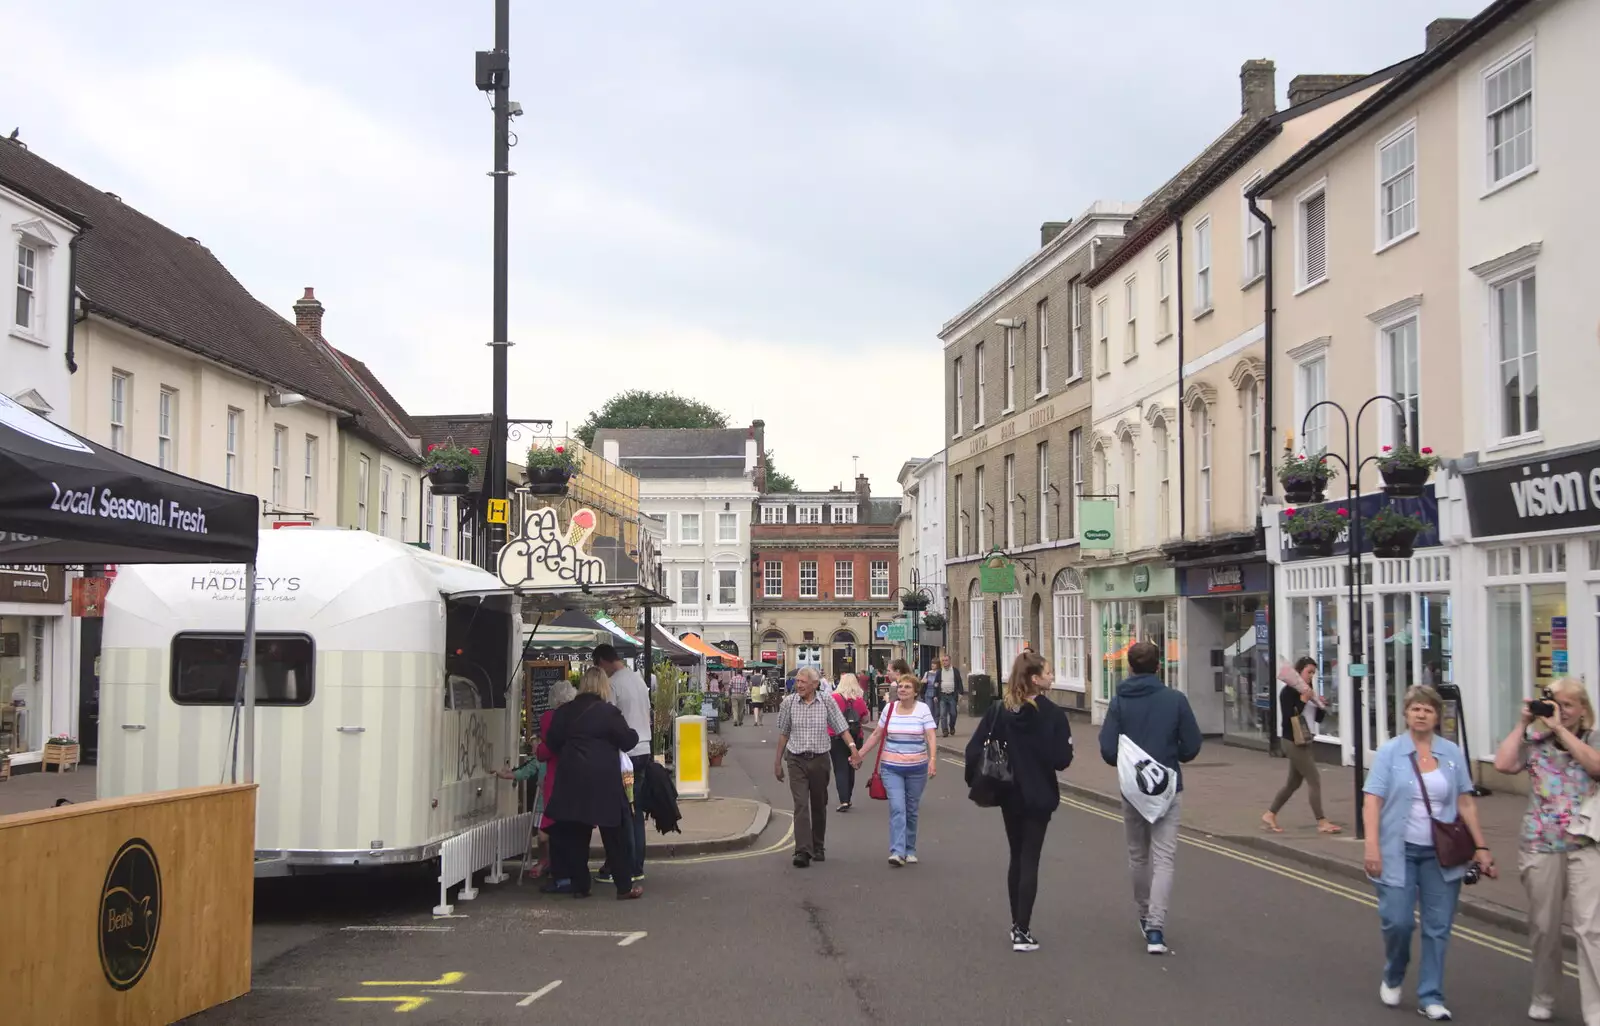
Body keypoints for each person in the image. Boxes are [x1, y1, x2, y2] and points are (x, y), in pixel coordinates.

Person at [1364, 684, 1496, 1021]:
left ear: (1437, 716)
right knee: (1399, 921)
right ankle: (1395, 971)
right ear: (1406, 714)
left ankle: (1431, 995)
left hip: (1442, 854)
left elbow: (1465, 802)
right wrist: (1371, 845)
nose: (1421, 714)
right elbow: (1372, 801)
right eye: (1415, 708)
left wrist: (1481, 847)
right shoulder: (1390, 752)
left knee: (1438, 927)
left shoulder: (1451, 753)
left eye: (1428, 709)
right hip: (1398, 850)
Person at [1493, 677, 1600, 1024]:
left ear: (1583, 708)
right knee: (1544, 926)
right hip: (1542, 844)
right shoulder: (1535, 741)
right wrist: (1523, 723)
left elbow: (1597, 767)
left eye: (1570, 705)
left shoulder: (1593, 739)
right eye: (1556, 703)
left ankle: (1596, 1009)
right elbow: (1503, 764)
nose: (1562, 711)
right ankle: (1544, 995)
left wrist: (1562, 730)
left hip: (1587, 845)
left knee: (1591, 929)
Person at [1098, 640, 1202, 956]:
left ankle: (1144, 915)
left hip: (1133, 789)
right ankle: (1156, 928)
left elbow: (1107, 749)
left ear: (1129, 666)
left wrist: (1129, 762)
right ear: (1158, 667)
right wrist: (1171, 756)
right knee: (1164, 858)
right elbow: (1192, 745)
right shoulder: (1175, 700)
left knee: (1138, 856)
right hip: (1167, 788)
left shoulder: (1118, 702)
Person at [967, 651, 1073, 952]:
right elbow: (1062, 759)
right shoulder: (1052, 714)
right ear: (1035, 679)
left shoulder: (1000, 711)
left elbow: (974, 750)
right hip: (1039, 794)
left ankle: (1017, 925)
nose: (1053, 677)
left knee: (1017, 855)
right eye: (1049, 672)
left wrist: (976, 781)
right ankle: (1022, 929)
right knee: (1030, 858)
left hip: (1009, 793)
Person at [540, 667, 644, 900]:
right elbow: (627, 741)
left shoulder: (565, 712)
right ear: (603, 686)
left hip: (572, 779)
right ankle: (624, 887)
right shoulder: (609, 713)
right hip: (603, 780)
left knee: (576, 836)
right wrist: (634, 734)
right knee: (613, 836)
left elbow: (553, 742)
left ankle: (580, 886)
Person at [495, 680, 576, 890]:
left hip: (555, 788)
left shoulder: (551, 719)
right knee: (566, 833)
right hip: (572, 784)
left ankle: (561, 875)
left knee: (553, 833)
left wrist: (541, 750)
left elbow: (543, 753)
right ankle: (566, 872)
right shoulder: (580, 718)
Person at [775, 666, 858, 867]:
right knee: (801, 804)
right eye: (798, 682)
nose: (799, 685)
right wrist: (777, 761)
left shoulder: (827, 701)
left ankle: (818, 845)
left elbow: (841, 728)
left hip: (820, 759)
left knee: (818, 804)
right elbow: (784, 733)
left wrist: (854, 749)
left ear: (814, 684)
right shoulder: (788, 703)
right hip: (796, 759)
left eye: (803, 682)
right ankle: (802, 851)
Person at [853, 673, 938, 866]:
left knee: (911, 809)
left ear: (915, 691)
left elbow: (931, 736)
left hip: (917, 768)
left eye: (907, 687)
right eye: (900, 686)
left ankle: (910, 849)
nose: (902, 690)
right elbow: (876, 734)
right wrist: (860, 753)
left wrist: (932, 760)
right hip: (891, 768)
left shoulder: (923, 710)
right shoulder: (889, 709)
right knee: (898, 808)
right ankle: (897, 851)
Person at [1262, 658, 1341, 835]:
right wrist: (1304, 700)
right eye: (1309, 672)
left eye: (1313, 673)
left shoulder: (1308, 691)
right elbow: (1290, 716)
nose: (1311, 675)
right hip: (1293, 741)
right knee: (1314, 779)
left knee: (1293, 783)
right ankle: (1321, 821)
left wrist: (1320, 704)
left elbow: (1318, 719)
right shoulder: (1288, 692)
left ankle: (1270, 814)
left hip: (1306, 740)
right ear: (1299, 671)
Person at [594, 644, 652, 884]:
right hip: (644, 749)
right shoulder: (638, 680)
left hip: (624, 754)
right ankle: (637, 865)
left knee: (623, 814)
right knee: (635, 812)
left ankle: (622, 866)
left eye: (598, 667)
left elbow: (607, 720)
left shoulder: (614, 684)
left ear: (602, 661)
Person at [830, 674, 870, 811]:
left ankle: (844, 800)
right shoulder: (859, 700)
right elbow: (866, 720)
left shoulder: (833, 698)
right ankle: (848, 796)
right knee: (850, 766)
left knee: (840, 767)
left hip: (835, 737)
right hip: (855, 736)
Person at [932, 653, 965, 738]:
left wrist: (961, 693)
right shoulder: (939, 672)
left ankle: (952, 726)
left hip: (952, 695)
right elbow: (936, 683)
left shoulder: (955, 671)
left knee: (953, 713)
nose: (944, 662)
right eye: (943, 661)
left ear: (950, 661)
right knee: (943, 714)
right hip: (942, 695)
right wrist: (935, 695)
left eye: (946, 660)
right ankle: (945, 730)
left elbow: (959, 682)